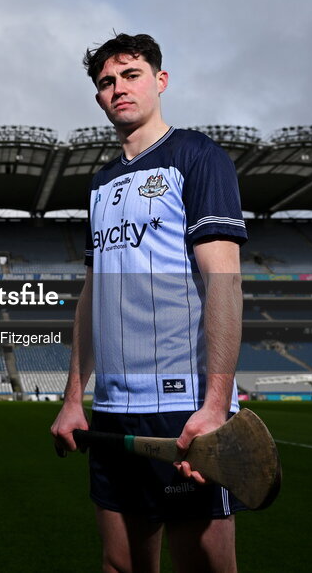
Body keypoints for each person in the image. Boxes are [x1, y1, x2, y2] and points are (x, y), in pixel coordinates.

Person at [50, 33, 247, 572]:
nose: (119, 88)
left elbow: (224, 283)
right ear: (98, 97)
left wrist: (214, 404)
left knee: (203, 567)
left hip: (184, 411)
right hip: (113, 409)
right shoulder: (102, 183)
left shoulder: (197, 157)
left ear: (160, 81)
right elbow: (93, 295)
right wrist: (74, 397)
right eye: (107, 81)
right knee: (120, 566)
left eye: (131, 74)